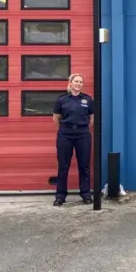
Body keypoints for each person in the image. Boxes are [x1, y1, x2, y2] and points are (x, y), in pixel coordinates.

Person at [52, 73, 94, 206]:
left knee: (84, 166)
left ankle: (86, 194)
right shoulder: (62, 100)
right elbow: (56, 118)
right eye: (76, 81)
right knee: (63, 166)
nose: (79, 84)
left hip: (83, 134)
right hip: (65, 134)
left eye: (81, 82)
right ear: (70, 83)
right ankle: (60, 196)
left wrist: (82, 127)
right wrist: (64, 129)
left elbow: (92, 117)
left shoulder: (87, 99)